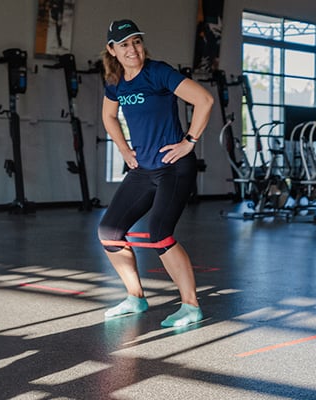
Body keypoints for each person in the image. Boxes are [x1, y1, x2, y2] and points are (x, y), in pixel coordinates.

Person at [98, 19, 214, 328]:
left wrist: (189, 142)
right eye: (124, 44)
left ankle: (191, 306)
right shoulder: (115, 81)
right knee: (109, 231)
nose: (132, 49)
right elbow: (108, 117)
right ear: (112, 49)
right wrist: (123, 149)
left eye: (136, 41)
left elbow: (204, 100)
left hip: (174, 167)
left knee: (159, 232)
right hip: (144, 169)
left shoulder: (158, 72)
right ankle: (135, 297)